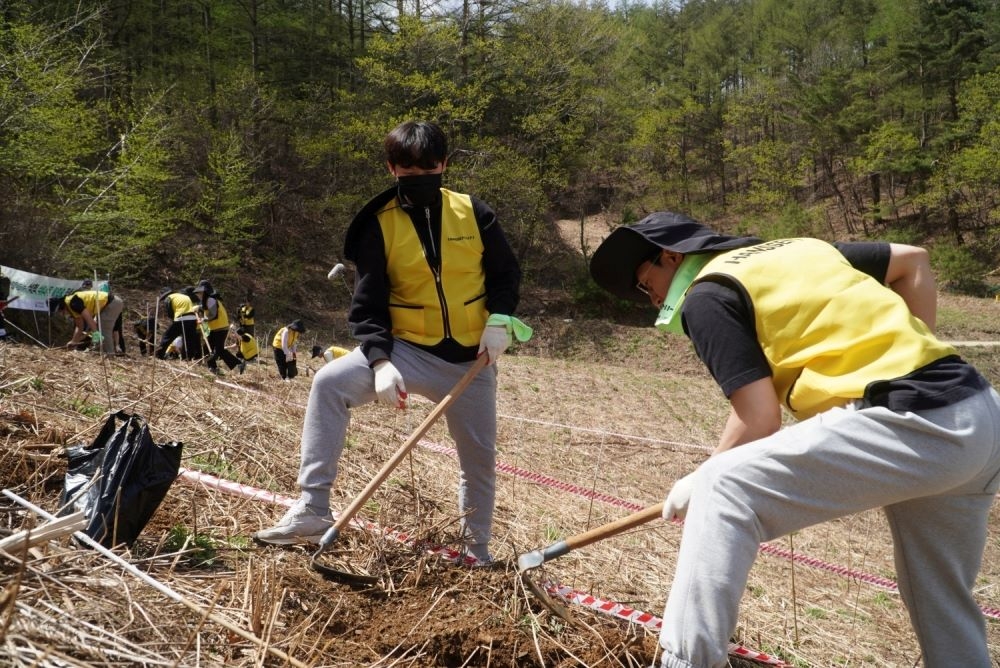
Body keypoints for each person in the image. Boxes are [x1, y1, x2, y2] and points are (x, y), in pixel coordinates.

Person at [588, 212, 1000, 668]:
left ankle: (685, 662)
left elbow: (760, 417)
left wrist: (702, 478)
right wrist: (917, 350)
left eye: (648, 285)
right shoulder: (800, 248)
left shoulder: (706, 294)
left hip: (912, 419)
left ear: (672, 257)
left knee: (722, 487)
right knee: (939, 595)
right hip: (978, 412)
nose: (653, 300)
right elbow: (912, 261)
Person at [254, 120, 529, 566]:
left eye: (427, 168)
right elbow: (368, 305)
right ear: (390, 168)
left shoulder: (473, 212)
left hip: (471, 359)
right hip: (406, 351)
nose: (418, 177)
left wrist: (499, 321)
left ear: (443, 164)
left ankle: (474, 551)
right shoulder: (377, 226)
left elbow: (505, 274)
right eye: (407, 170)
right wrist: (380, 361)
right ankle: (312, 510)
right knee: (328, 383)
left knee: (478, 459)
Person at [48, 288, 125, 354]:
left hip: (112, 303)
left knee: (104, 329)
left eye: (59, 312)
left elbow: (89, 319)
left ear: (61, 308)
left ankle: (110, 356)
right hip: (105, 306)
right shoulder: (70, 307)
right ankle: (101, 352)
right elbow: (79, 327)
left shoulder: (73, 303)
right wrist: (73, 341)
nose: (61, 315)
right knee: (100, 329)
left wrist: (96, 333)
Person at [193, 280, 242, 375]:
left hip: (221, 328)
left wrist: (203, 320)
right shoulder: (208, 300)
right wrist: (198, 308)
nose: (198, 295)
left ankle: (237, 364)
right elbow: (206, 308)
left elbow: (213, 315)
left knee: (219, 350)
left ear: (205, 292)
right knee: (207, 348)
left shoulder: (211, 299)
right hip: (215, 328)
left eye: (200, 293)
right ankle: (213, 367)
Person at [155, 287, 202, 360]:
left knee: (167, 336)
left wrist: (174, 321)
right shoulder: (184, 296)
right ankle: (187, 358)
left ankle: (159, 355)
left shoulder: (169, 297)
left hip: (181, 318)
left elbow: (170, 312)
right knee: (188, 339)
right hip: (193, 319)